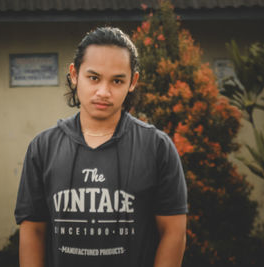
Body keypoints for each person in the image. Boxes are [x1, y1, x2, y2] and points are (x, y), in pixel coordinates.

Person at [15, 26, 188, 267]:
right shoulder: (43, 148)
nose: (103, 92)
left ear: (132, 82)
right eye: (93, 78)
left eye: (117, 80)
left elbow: (173, 233)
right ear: (74, 75)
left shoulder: (157, 148)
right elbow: (33, 231)